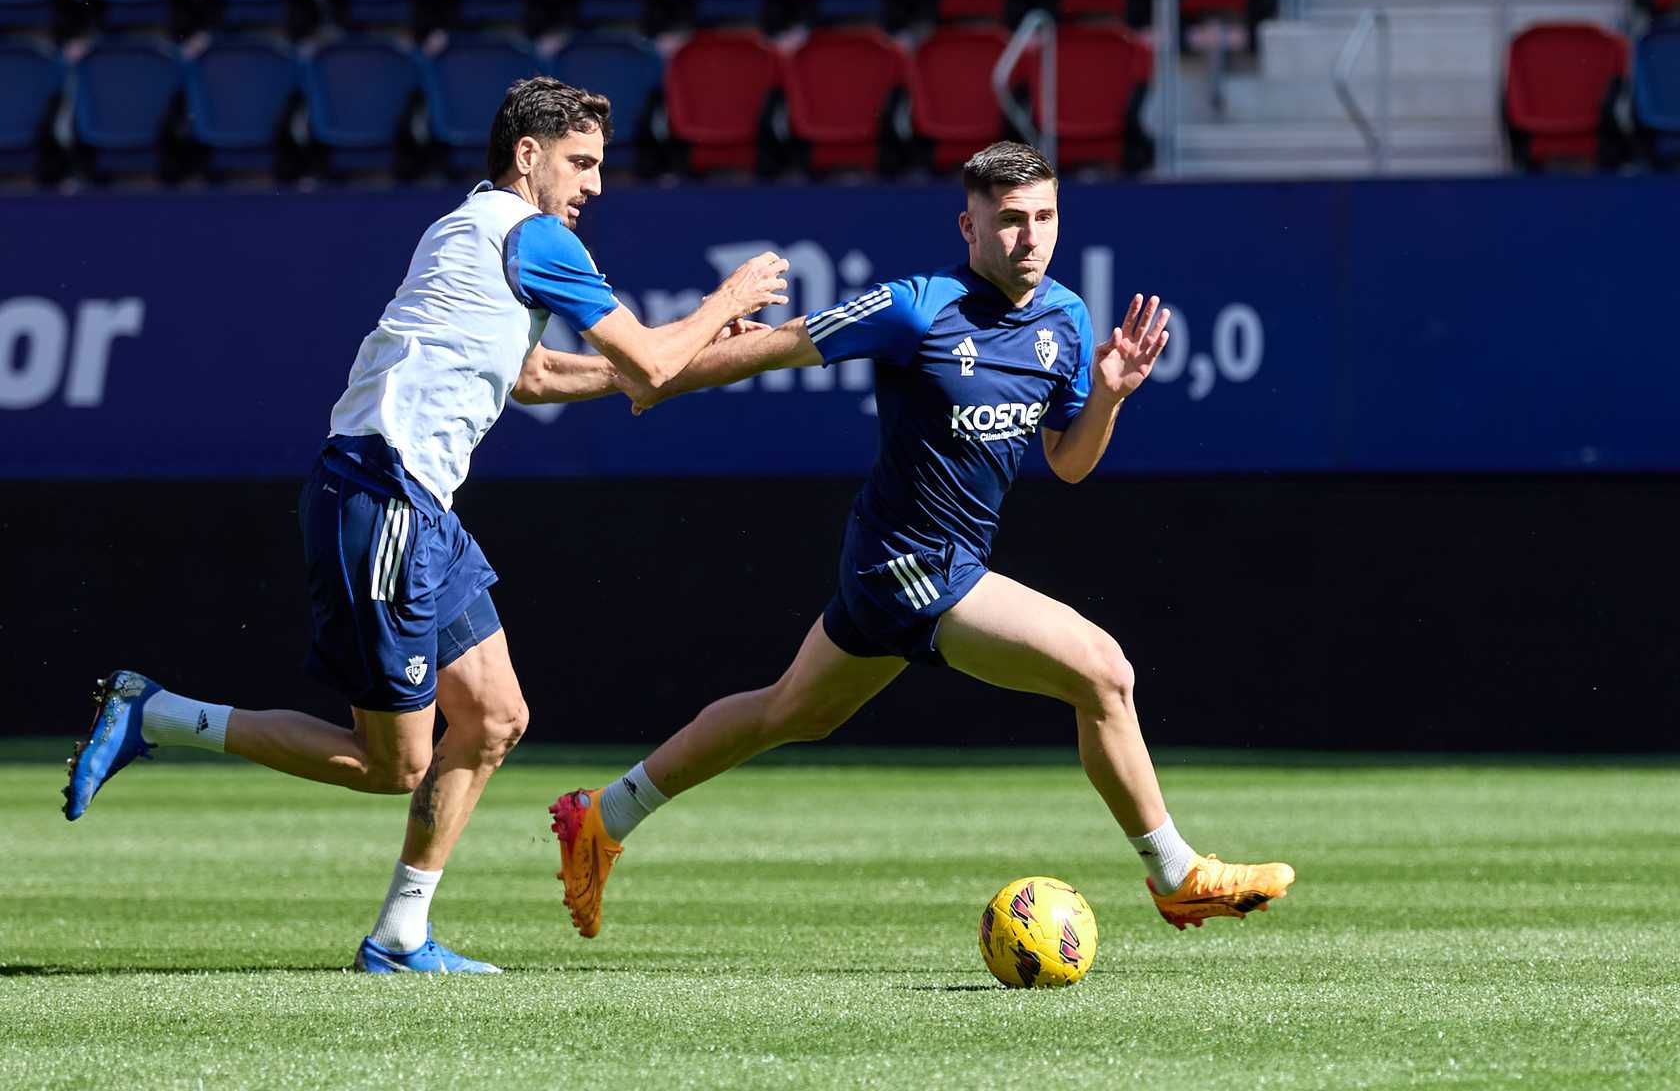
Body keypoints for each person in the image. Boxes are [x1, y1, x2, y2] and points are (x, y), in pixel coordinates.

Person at [61, 78, 789, 973]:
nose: (597, 184)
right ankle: (161, 715)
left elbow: (534, 378)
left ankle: (402, 935)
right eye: (583, 162)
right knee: (392, 764)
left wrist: (673, 352)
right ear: (528, 156)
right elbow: (645, 361)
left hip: (414, 505)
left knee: (494, 717)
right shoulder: (535, 235)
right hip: (382, 495)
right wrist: (725, 301)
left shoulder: (469, 226)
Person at [550, 142, 1294, 939]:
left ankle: (604, 816)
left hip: (938, 562)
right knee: (1104, 673)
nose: (1030, 238)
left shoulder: (1069, 321)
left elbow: (1069, 465)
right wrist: (655, 378)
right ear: (967, 226)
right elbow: (779, 345)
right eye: (1008, 221)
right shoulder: (917, 306)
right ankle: (1178, 875)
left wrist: (1108, 398)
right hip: (906, 562)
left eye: (1044, 218)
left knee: (791, 712)